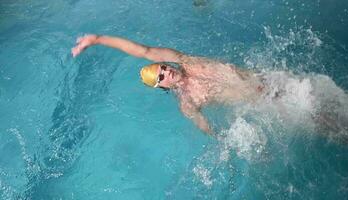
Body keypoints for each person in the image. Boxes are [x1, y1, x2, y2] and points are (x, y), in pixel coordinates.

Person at [72, 35, 265, 135]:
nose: (166, 72)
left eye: (163, 67)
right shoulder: (188, 102)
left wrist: (98, 39)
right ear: (163, 86)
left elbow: (144, 51)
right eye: (161, 76)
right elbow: (209, 130)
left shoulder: (186, 61)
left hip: (268, 81)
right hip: (265, 104)